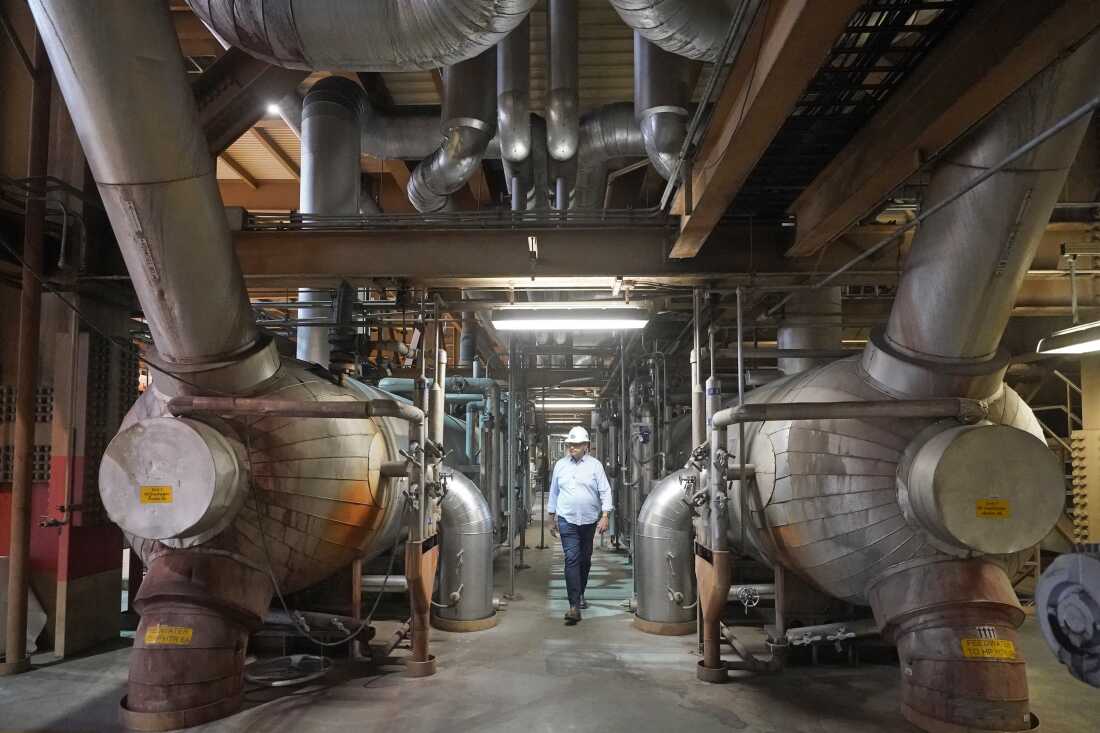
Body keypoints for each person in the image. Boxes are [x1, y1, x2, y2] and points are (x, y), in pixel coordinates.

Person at [547, 425, 612, 624]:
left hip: (589, 520)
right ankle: (574, 605)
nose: (571, 448)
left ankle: (580, 593)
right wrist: (551, 517)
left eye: (576, 445)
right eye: (570, 444)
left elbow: (605, 491)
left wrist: (605, 515)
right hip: (567, 519)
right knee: (572, 559)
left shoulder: (595, 466)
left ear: (586, 446)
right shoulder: (560, 465)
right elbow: (554, 492)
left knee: (585, 559)